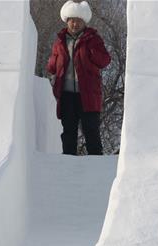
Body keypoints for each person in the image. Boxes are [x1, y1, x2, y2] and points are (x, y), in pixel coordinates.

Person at [46, 1, 111, 155]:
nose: (75, 24)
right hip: (66, 95)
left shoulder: (93, 39)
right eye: (72, 20)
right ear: (67, 21)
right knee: (68, 132)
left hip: (88, 94)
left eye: (79, 21)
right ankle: (68, 167)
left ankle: (96, 166)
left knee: (91, 132)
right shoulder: (60, 41)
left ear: (84, 22)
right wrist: (53, 62)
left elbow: (105, 61)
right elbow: (52, 67)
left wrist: (93, 52)